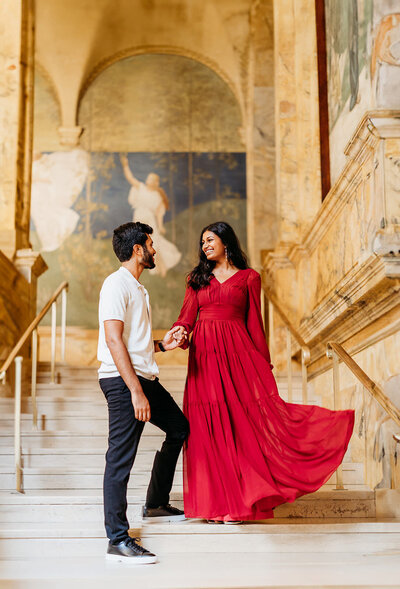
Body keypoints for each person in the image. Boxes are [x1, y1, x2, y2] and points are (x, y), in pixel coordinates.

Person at [172, 221, 355, 523]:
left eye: (210, 239)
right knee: (209, 428)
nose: (205, 245)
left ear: (226, 242)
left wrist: (263, 364)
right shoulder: (196, 278)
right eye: (202, 241)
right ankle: (217, 504)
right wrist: (179, 332)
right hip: (204, 358)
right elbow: (186, 318)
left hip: (238, 356)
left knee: (242, 427)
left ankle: (240, 502)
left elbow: (255, 323)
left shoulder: (249, 278)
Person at [98, 221, 189, 563]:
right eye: (150, 245)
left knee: (179, 428)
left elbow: (133, 344)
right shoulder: (115, 284)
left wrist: (163, 346)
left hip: (142, 377)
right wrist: (136, 391)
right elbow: (112, 340)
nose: (155, 250)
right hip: (124, 383)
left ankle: (155, 503)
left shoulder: (137, 288)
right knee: (120, 458)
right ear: (138, 250)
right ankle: (117, 540)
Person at [120, 154, 181, 277]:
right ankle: (137, 266)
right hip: (139, 218)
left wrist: (160, 226)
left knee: (155, 243)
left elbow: (159, 214)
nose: (149, 180)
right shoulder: (141, 188)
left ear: (156, 183)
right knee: (138, 243)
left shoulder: (157, 196)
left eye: (152, 179)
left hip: (149, 220)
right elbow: (130, 178)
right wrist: (125, 165)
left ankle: (162, 267)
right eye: (149, 178)